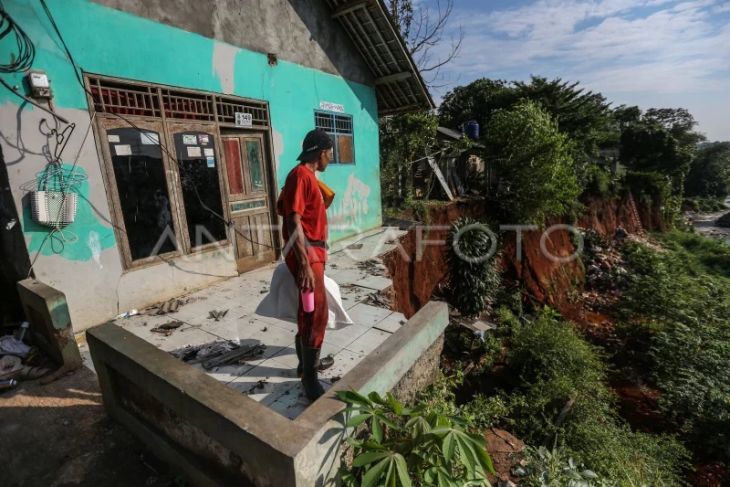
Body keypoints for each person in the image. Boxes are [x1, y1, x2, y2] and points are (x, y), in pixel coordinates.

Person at [278, 128, 333, 401]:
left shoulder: (308, 178)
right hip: (307, 253)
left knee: (307, 310)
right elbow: (292, 220)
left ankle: (305, 365)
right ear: (321, 152)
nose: (330, 159)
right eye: (330, 153)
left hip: (313, 252)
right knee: (316, 313)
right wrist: (304, 264)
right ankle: (310, 379)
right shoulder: (300, 176)